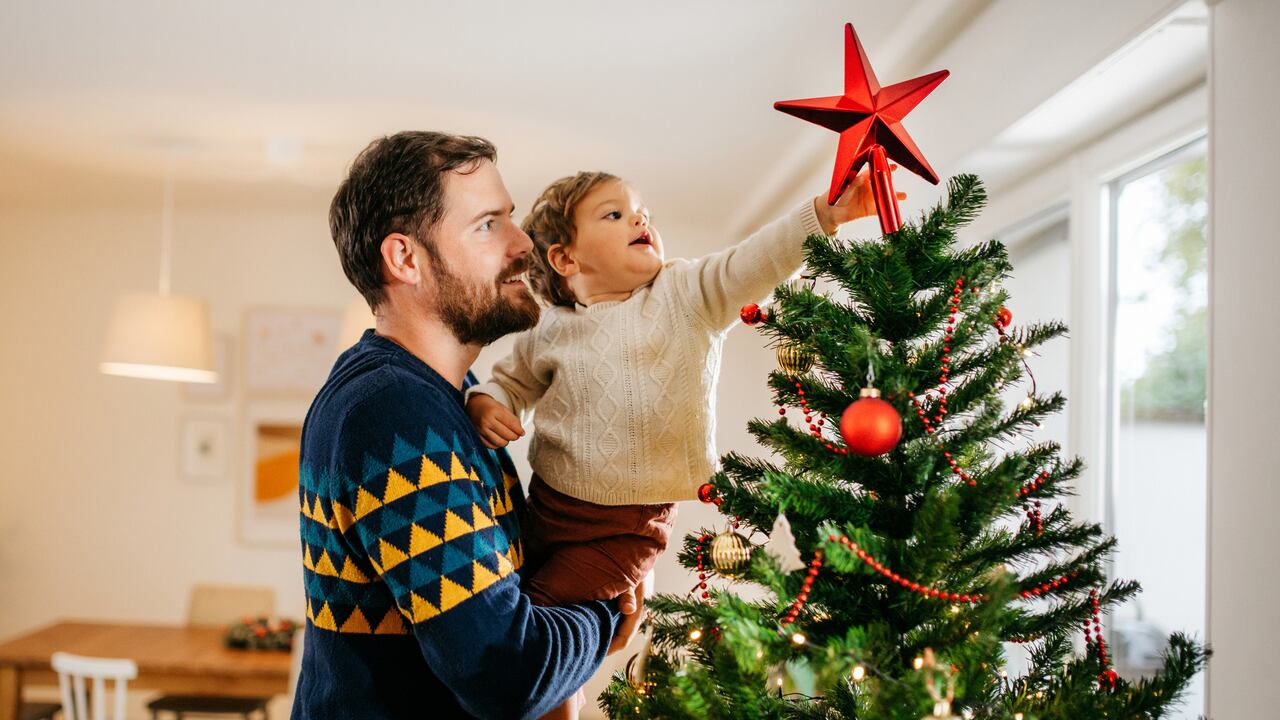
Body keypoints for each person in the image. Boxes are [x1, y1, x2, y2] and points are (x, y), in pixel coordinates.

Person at [464, 168, 886, 717]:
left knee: (539, 632)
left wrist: (825, 216)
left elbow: (750, 262)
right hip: (547, 509)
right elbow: (509, 381)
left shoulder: (684, 293)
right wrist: (486, 402)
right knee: (522, 611)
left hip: (624, 527)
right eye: (614, 214)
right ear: (566, 259)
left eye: (642, 212)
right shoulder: (553, 328)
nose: (640, 219)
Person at [291, 131, 642, 720]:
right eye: (487, 225)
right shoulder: (392, 411)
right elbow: (507, 674)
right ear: (405, 258)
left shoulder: (453, 396)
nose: (523, 242)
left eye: (510, 218)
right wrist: (608, 612)